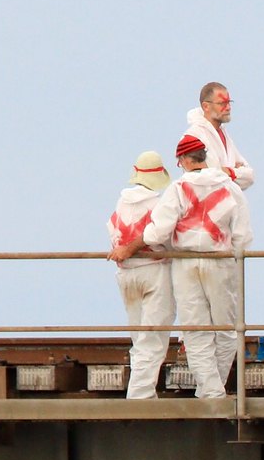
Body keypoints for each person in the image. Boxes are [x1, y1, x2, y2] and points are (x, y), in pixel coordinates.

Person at [115, 134, 252, 399]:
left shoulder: (177, 189)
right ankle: (211, 390)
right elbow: (243, 235)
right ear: (205, 157)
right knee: (226, 330)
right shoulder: (229, 187)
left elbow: (157, 234)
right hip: (220, 261)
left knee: (195, 332)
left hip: (185, 264)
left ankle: (211, 391)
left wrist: (132, 247)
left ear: (182, 161)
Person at [106, 151, 174, 400]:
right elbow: (163, 238)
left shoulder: (122, 202)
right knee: (153, 338)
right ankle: (140, 396)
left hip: (126, 274)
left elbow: (113, 231)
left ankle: (142, 392)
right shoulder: (158, 204)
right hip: (154, 272)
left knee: (138, 339)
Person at [183, 83, 254, 190]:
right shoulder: (193, 137)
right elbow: (206, 179)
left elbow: (249, 176)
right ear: (206, 106)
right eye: (222, 103)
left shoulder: (224, 134)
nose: (228, 107)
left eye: (229, 102)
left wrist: (229, 171)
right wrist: (234, 172)